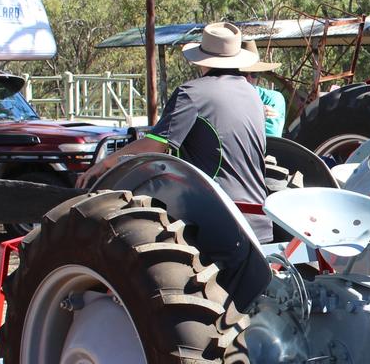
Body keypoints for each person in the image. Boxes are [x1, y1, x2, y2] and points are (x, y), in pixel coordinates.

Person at [78, 22, 272, 242]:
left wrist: (105, 164)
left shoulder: (191, 93)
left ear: (202, 60)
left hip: (214, 221)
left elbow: (154, 145)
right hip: (258, 218)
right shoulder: (253, 95)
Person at [240, 40, 286, 137]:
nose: (248, 79)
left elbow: (270, 137)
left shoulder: (272, 98)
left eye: (254, 74)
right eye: (242, 74)